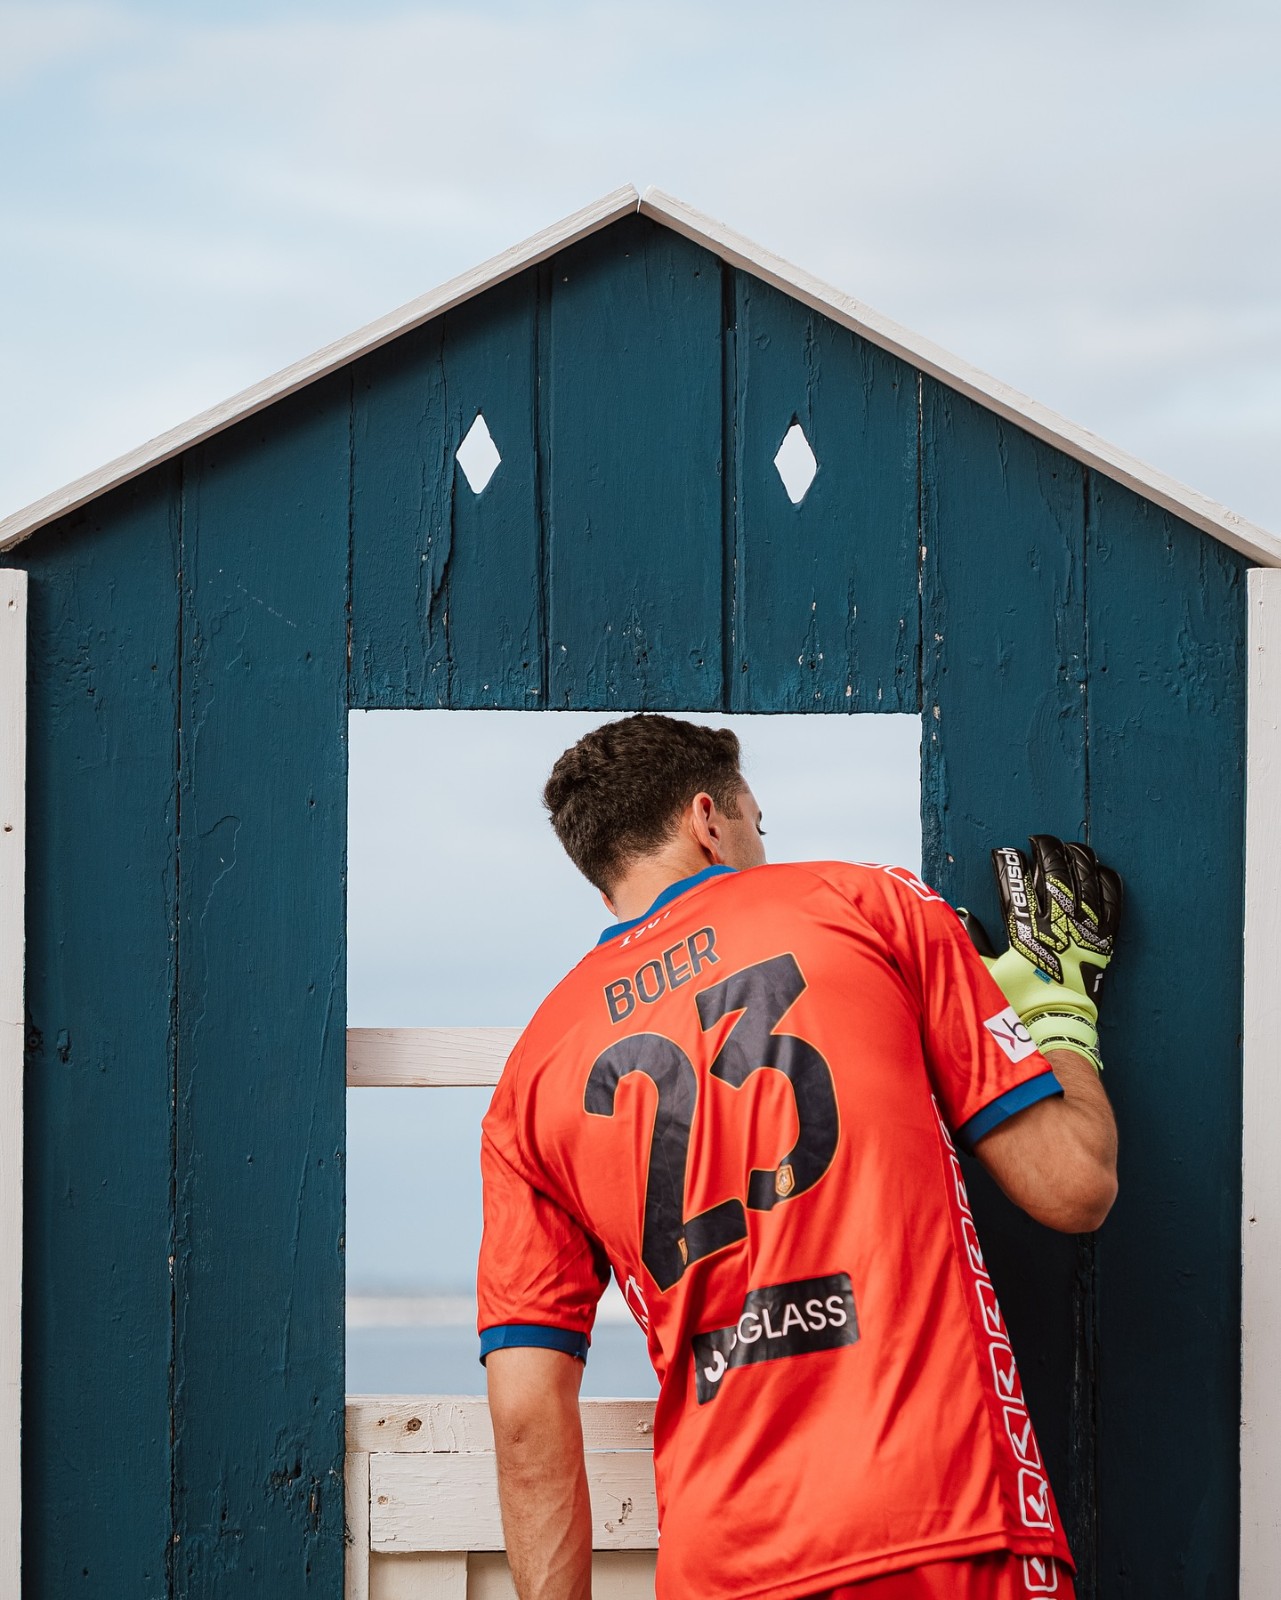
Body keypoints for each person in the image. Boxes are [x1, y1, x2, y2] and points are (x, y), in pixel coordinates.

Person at [477, 714, 1121, 1600]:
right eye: (756, 826)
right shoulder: (866, 902)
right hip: (938, 1521)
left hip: (723, 1565)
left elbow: (522, 1417)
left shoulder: (532, 1074)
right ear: (708, 818)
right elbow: (1071, 1185)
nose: (759, 847)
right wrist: (1057, 1019)